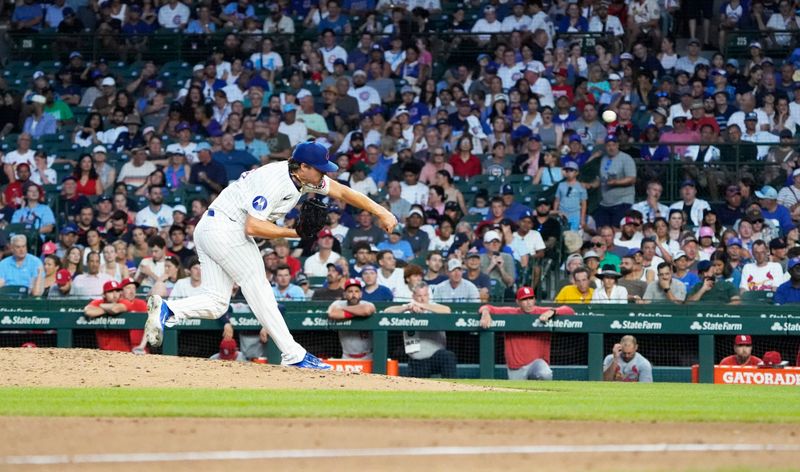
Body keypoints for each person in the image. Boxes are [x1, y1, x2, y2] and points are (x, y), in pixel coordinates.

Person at [145, 141, 398, 370]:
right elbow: (252, 227)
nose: (325, 173)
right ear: (302, 166)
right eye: (320, 168)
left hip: (211, 228)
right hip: (227, 229)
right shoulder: (276, 181)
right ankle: (293, 354)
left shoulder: (303, 176)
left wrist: (381, 212)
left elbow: (343, 192)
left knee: (216, 303)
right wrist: (295, 233)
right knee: (260, 290)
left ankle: (169, 309)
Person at [478, 286, 576, 380]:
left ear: (534, 299)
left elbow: (570, 310)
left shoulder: (543, 311)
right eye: (525, 299)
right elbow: (486, 307)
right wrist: (485, 313)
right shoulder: (510, 312)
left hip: (536, 364)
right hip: (516, 367)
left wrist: (553, 311)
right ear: (518, 302)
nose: (529, 303)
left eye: (531, 298)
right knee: (517, 394)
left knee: (545, 373)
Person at [384, 282, 456, 378]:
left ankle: (451, 389)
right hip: (417, 359)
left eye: (425, 295)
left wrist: (423, 306)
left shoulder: (433, 307)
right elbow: (386, 312)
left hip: (437, 357)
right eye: (419, 296)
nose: (423, 298)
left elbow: (447, 310)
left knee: (448, 356)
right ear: (413, 296)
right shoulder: (408, 308)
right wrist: (406, 308)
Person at [327, 278, 377, 359]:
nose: (354, 294)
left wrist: (344, 309)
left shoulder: (367, 304)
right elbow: (332, 313)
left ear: (361, 294)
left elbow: (367, 310)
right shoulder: (337, 303)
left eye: (357, 291)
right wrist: (358, 313)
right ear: (344, 294)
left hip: (368, 356)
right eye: (350, 291)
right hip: (347, 356)